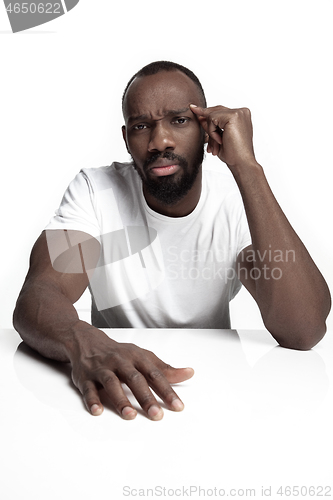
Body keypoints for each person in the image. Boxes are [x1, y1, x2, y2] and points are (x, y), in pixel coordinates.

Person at [13, 61, 331, 421]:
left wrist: (247, 167)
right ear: (126, 138)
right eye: (141, 126)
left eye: (179, 121)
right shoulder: (95, 191)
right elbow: (39, 295)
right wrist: (83, 342)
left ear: (207, 132)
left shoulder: (236, 200)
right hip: (115, 393)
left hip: (216, 393)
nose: (159, 141)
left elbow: (303, 330)